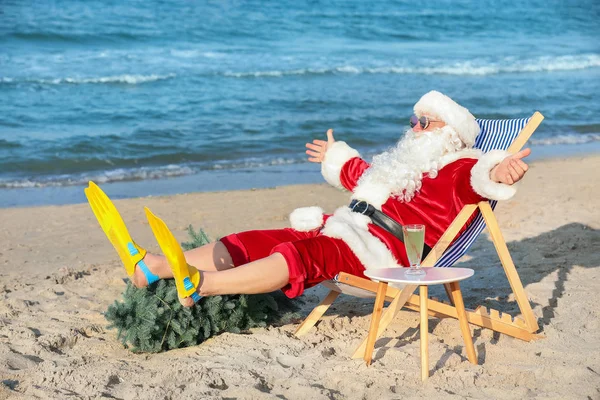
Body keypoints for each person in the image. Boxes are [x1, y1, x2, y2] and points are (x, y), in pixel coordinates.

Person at [87, 90, 531, 307]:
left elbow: (480, 179)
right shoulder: (405, 166)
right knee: (260, 237)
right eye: (414, 119)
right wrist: (337, 159)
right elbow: (364, 176)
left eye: (424, 123)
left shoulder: (457, 168)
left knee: (304, 252)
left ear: (449, 135)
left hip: (385, 251)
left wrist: (500, 170)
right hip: (347, 222)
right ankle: (155, 265)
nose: (413, 128)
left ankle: (202, 285)